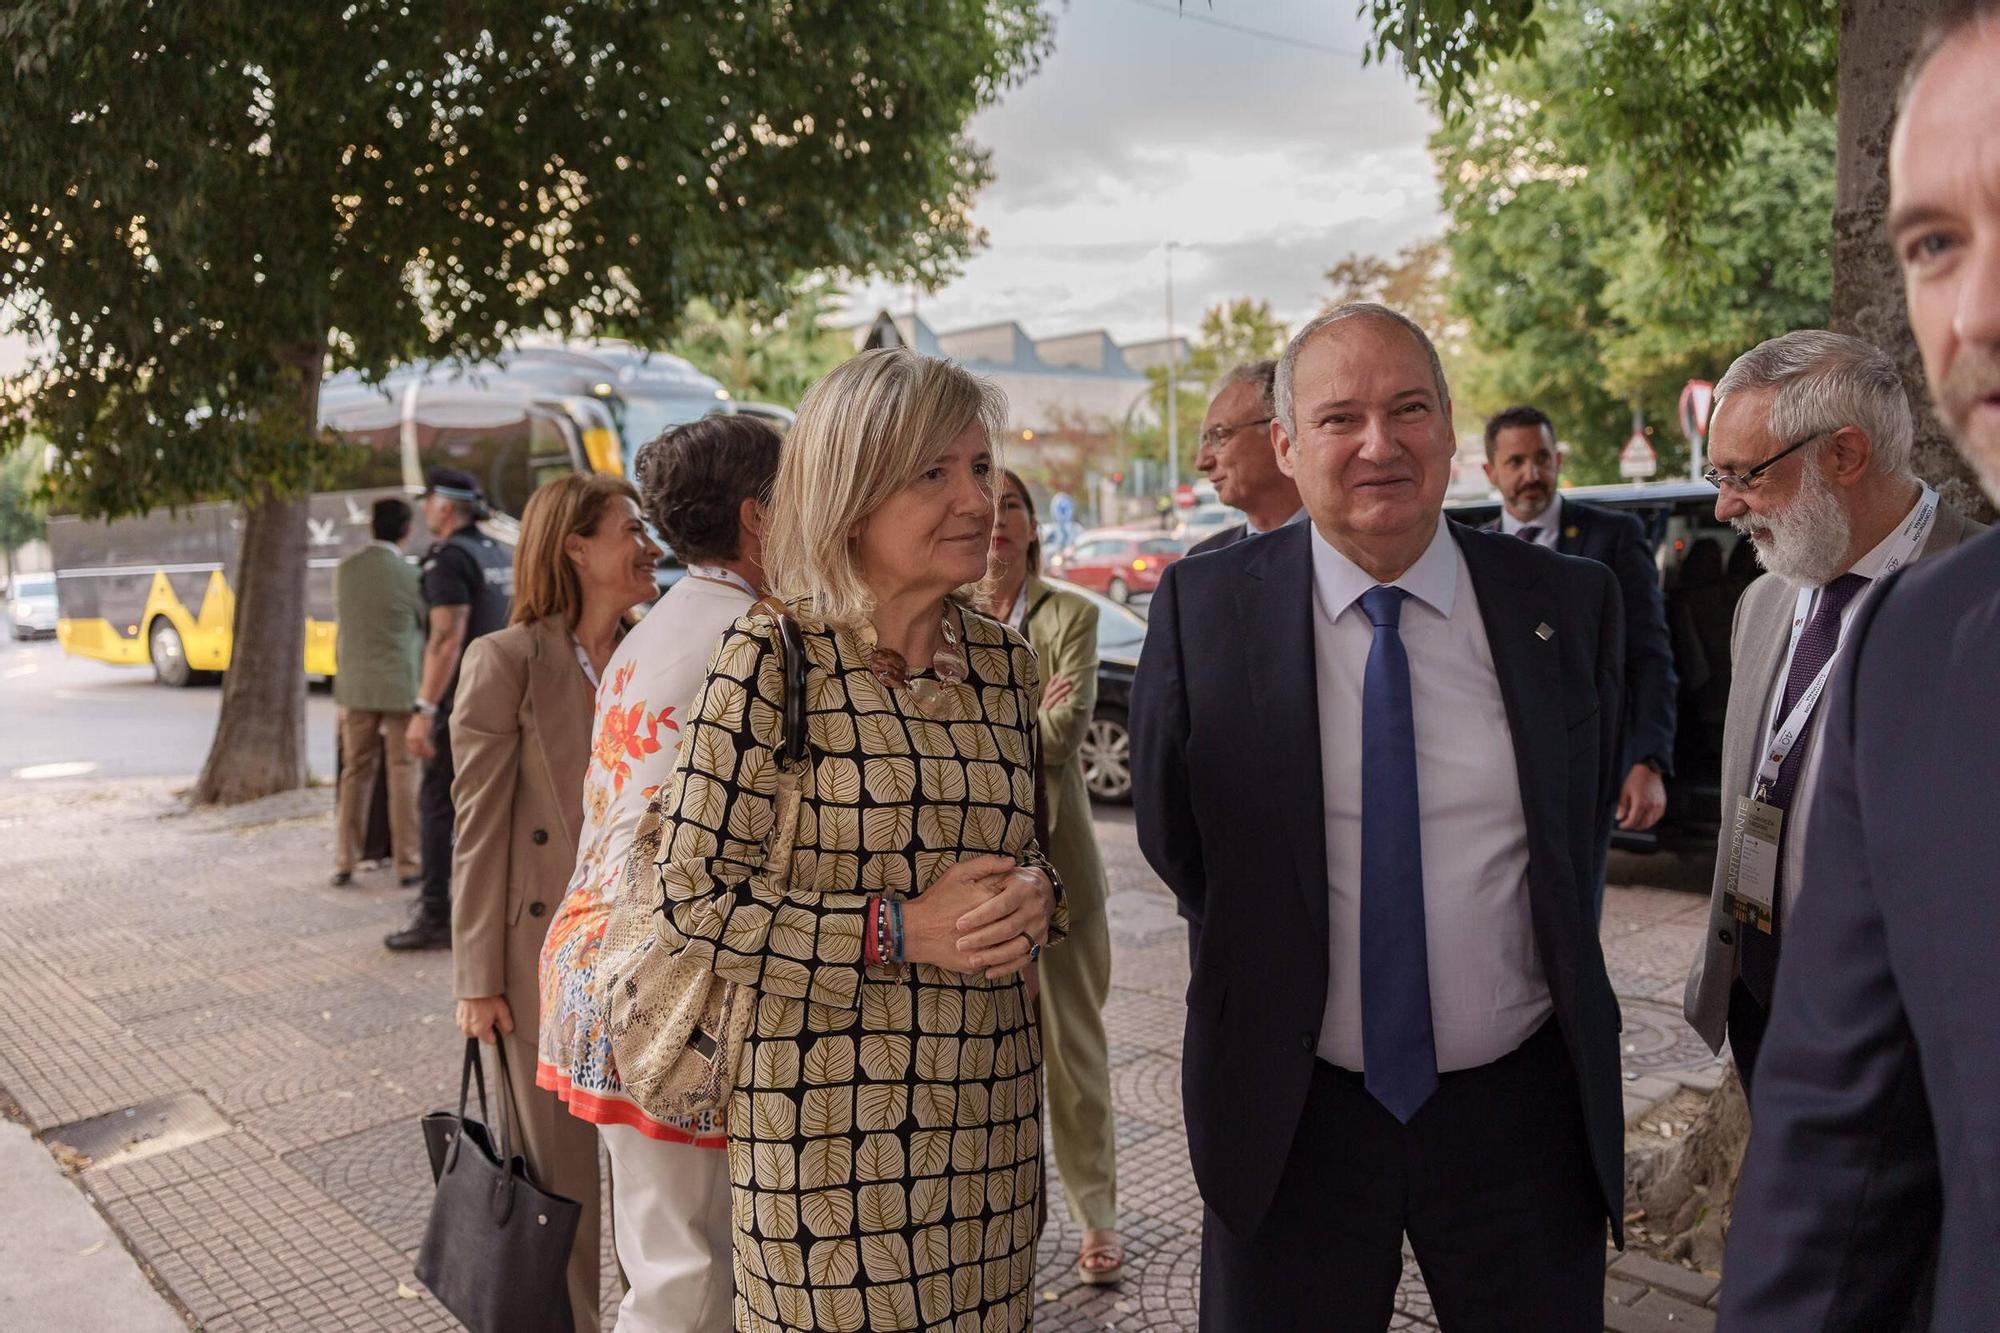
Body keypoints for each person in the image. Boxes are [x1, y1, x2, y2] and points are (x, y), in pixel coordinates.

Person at [1131, 303, 1626, 1332]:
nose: (1376, 443)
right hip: (1290, 1110)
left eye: (1407, 409)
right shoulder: (1200, 609)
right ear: (1284, 443)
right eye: (1338, 418)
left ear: (1449, 428)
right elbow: (1178, 841)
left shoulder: (1566, 605)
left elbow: (1571, 836)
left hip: (1520, 1114)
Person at [643, 347, 1063, 1333]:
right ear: (851, 494)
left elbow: (1025, 847)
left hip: (990, 1133)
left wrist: (1036, 895)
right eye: (933, 473)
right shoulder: (770, 658)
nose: (977, 499)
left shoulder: (1003, 662)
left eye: (979, 466)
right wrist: (899, 929)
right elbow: (691, 899)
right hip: (824, 1154)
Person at [1721, 4, 2000, 1325]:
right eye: (1937, 243)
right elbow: (1831, 1176)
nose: (1980, 309)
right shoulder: (1876, 639)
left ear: (1843, 457)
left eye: (1747, 474)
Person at [1680, 331, 1984, 1095]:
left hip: (1911, 1044)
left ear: (1845, 455)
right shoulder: (1764, 597)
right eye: (1717, 474)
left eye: (1746, 474)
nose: (1725, 505)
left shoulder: (1983, 603)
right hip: (1759, 1002)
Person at [537, 415, 782, 1331]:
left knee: (667, 1257)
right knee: (689, 1272)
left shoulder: (657, 628)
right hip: (665, 985)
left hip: (604, 963)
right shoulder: (753, 636)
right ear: (759, 516)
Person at [450, 471, 663, 1333]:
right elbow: (479, 830)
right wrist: (475, 979)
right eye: (628, 527)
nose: (647, 543)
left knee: (657, 1198)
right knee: (561, 1195)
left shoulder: (657, 647)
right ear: (576, 547)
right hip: (543, 970)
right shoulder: (506, 661)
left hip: (652, 964)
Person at [980, 470, 1124, 1286]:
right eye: (988, 502)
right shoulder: (949, 612)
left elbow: (1065, 736)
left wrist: (995, 724)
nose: (997, 519)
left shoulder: (1071, 612)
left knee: (1074, 1054)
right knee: (984, 1059)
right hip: (977, 876)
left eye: (1013, 506)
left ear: (1035, 526)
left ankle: (1096, 1214)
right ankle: (997, 1213)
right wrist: (1024, 712)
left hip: (1063, 870)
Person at [1481, 405, 1678, 837]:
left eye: (1542, 458)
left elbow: (1649, 656)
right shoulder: (1475, 552)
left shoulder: (1616, 537)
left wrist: (1648, 760)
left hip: (1586, 776)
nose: (1531, 473)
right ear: (1490, 472)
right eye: (1515, 461)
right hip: (1494, 781)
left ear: (1558, 461)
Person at [385, 467, 514, 951]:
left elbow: (445, 638)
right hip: (496, 699)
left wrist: (424, 709)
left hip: (459, 704)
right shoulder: (495, 552)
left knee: (438, 805)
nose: (423, 511)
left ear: (443, 506)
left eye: (428, 502)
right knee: (484, 809)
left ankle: (436, 914)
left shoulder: (448, 559)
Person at [331, 496, 424, 888]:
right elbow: (424, 619)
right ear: (406, 530)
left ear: (372, 527)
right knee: (403, 771)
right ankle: (408, 862)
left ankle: (345, 859)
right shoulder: (410, 574)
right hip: (400, 684)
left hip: (354, 685)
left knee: (355, 771)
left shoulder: (346, 571)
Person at [1188, 360, 1304, 556]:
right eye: (1204, 440)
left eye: (1219, 435)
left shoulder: (1360, 550)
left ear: (1282, 437)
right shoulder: (1199, 568)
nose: (1202, 462)